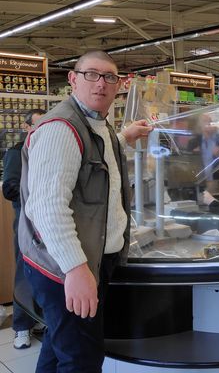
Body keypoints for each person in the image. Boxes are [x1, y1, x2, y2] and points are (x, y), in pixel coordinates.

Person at [18, 50, 152, 372]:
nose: (101, 84)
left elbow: (90, 161)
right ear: (73, 79)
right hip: (65, 266)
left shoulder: (96, 125)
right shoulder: (61, 127)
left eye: (110, 77)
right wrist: (76, 270)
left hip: (83, 261)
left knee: (60, 345)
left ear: (118, 85)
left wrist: (125, 136)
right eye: (92, 74)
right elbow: (47, 207)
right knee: (82, 360)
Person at [2, 108, 46, 349]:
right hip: (26, 222)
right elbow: (9, 189)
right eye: (37, 125)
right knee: (24, 273)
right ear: (27, 127)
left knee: (45, 273)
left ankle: (38, 319)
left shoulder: (51, 150)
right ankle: (21, 328)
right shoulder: (17, 152)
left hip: (49, 221)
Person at [187, 114, 219, 181]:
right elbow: (188, 165)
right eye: (204, 121)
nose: (208, 124)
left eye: (210, 121)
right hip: (199, 182)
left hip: (216, 181)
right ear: (200, 125)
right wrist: (194, 155)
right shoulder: (193, 143)